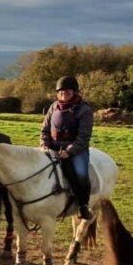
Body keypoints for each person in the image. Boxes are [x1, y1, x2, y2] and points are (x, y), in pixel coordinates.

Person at [40, 75, 94, 219]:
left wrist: (69, 152)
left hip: (76, 151)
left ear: (74, 92)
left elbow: (83, 137)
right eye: (61, 92)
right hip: (53, 148)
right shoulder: (53, 107)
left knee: (81, 174)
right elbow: (45, 130)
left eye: (67, 92)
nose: (64, 95)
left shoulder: (84, 110)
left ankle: (83, 205)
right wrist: (44, 145)